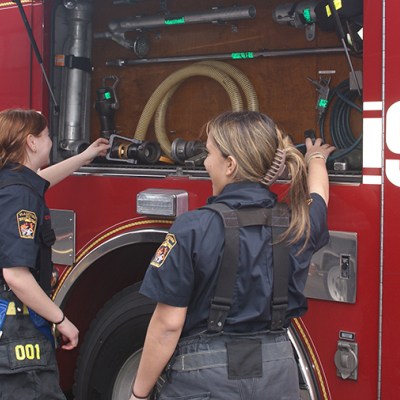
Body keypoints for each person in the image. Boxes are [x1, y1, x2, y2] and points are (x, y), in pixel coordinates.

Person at [129, 111, 334, 400]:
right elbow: (319, 194)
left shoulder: (193, 228)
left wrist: (138, 394)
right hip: (279, 375)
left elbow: (168, 325)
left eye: (209, 152)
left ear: (230, 165)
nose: (204, 161)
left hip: (206, 380)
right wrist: (315, 158)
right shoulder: (299, 223)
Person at [0, 108, 109, 400]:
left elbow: (41, 180)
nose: (50, 141)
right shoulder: (18, 195)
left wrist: (86, 156)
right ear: (31, 142)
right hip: (14, 327)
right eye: (46, 136)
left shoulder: (4, 180)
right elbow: (16, 276)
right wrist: (61, 320)